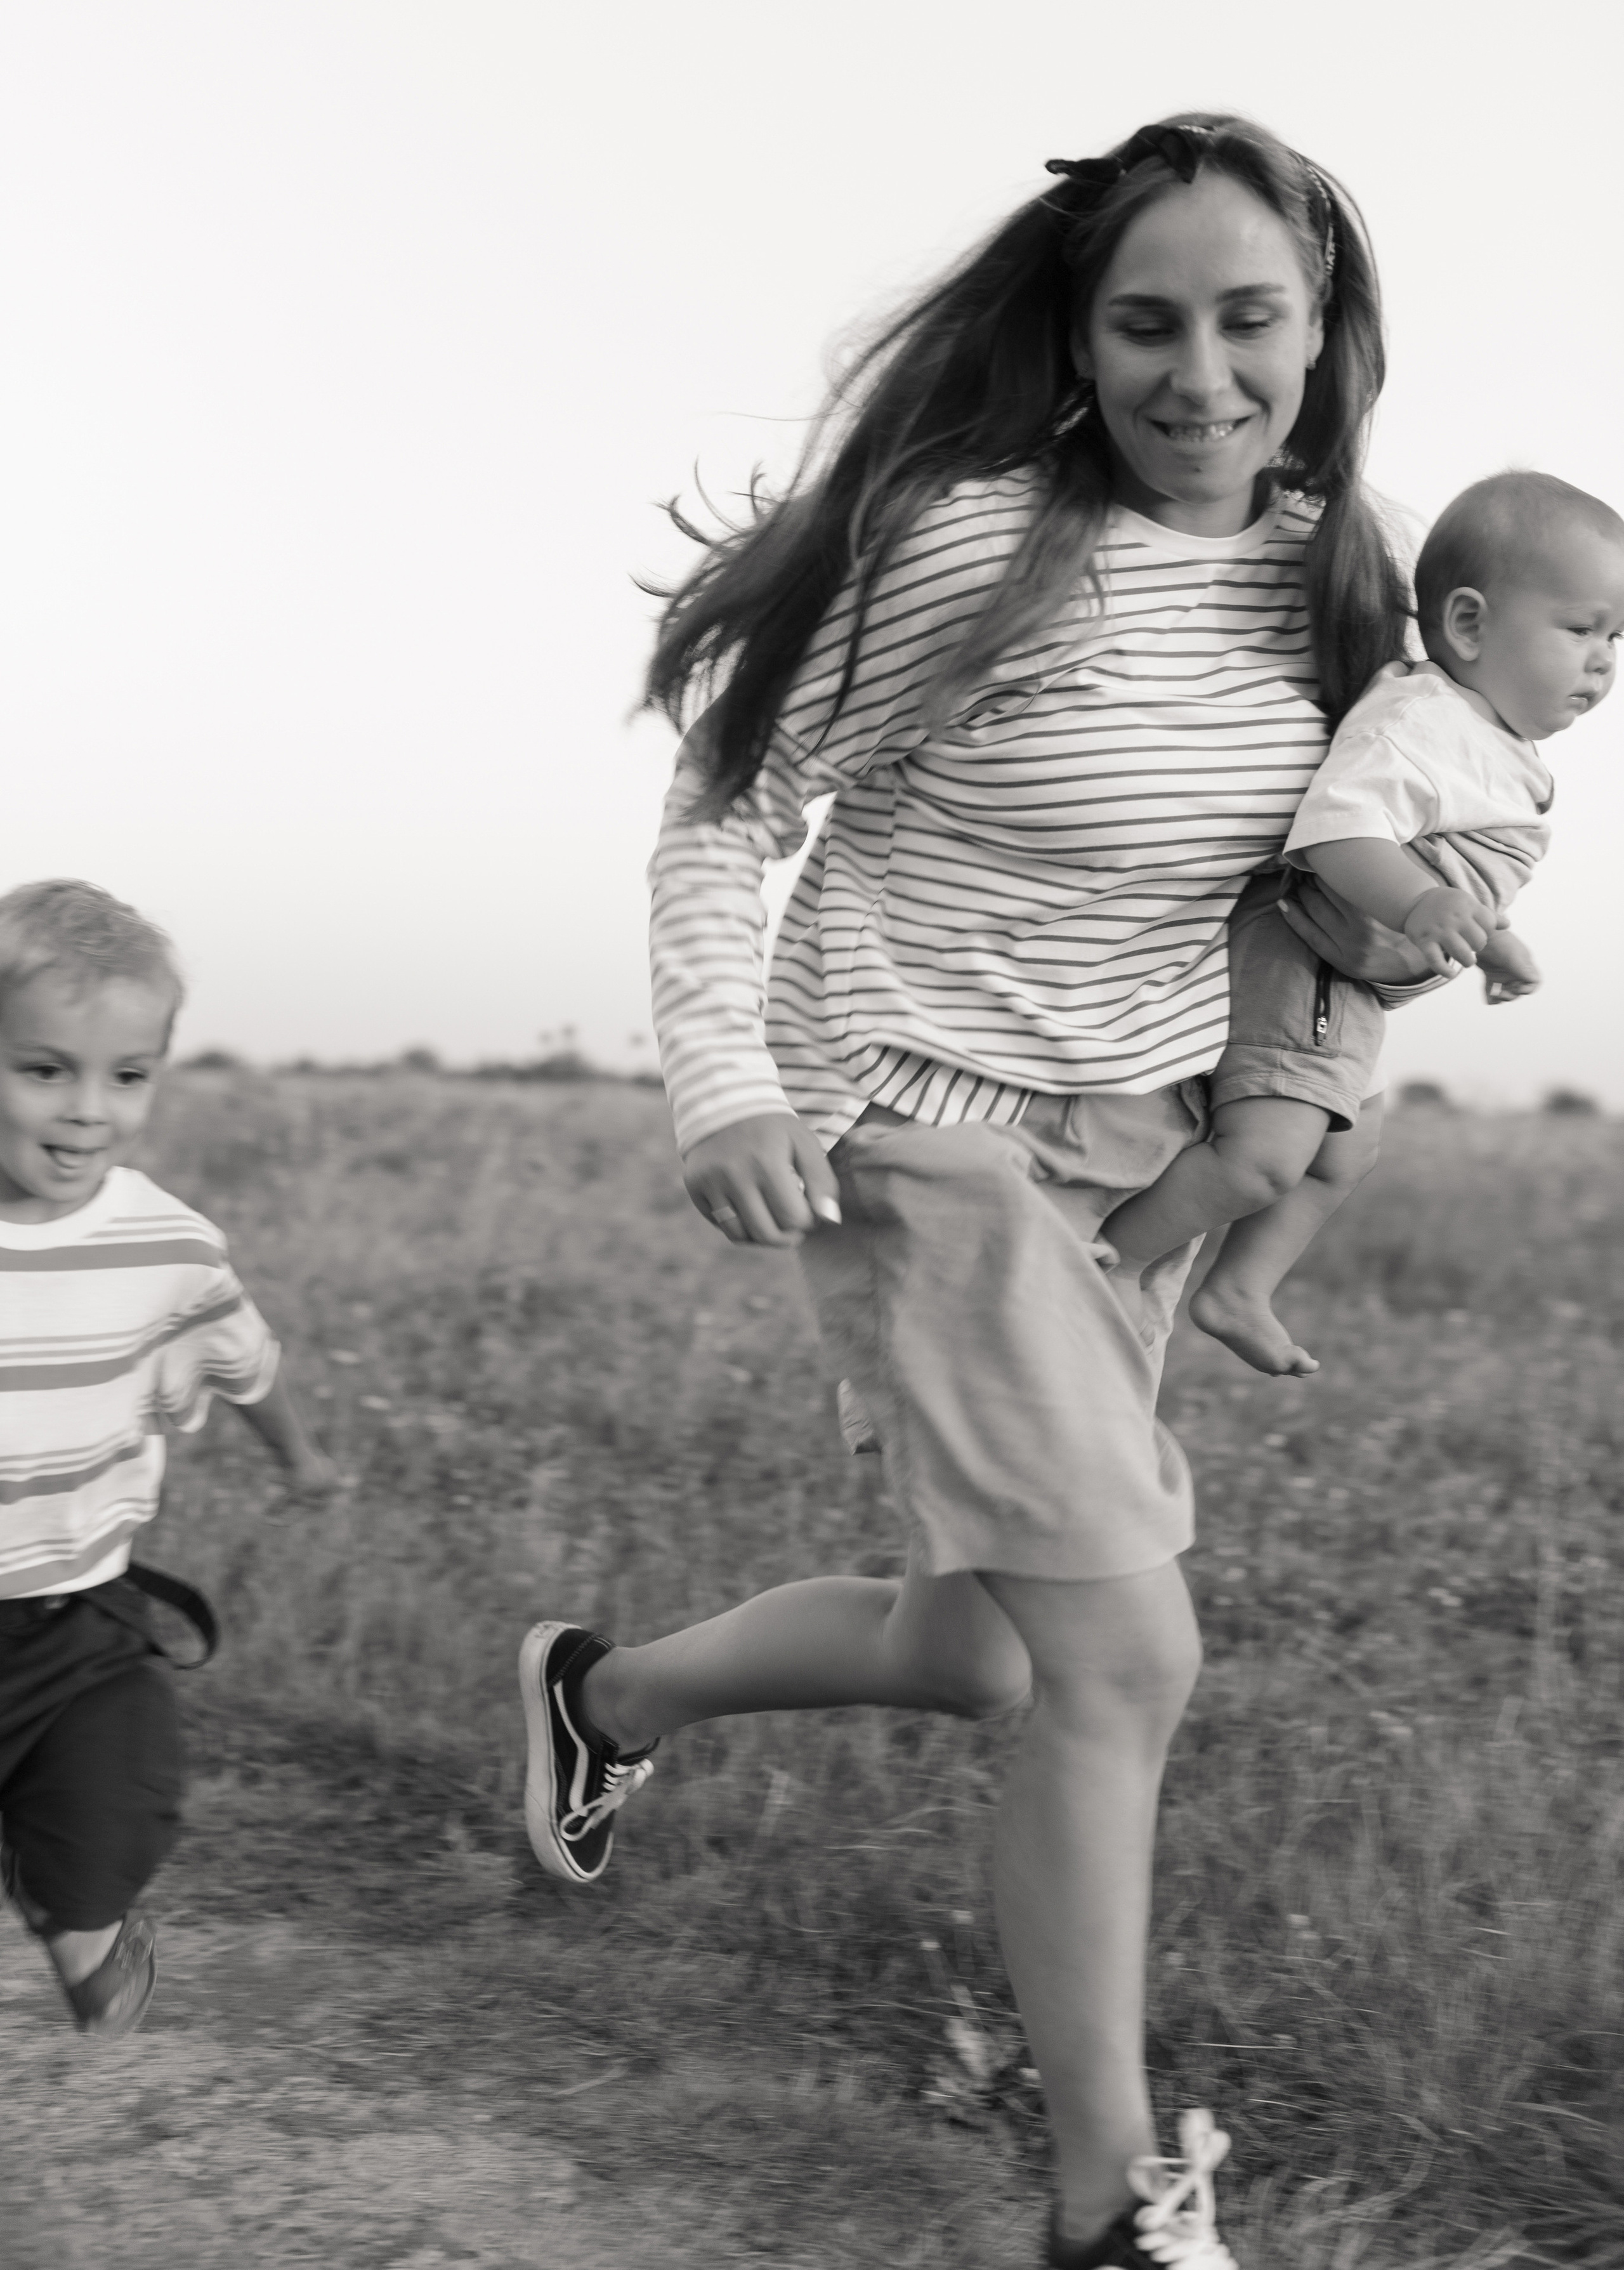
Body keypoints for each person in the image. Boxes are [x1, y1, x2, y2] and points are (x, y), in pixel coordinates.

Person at [520, 114, 1438, 2269]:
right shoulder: (968, 538)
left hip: (1135, 1173)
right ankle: (1110, 2208)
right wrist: (728, 1083)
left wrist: (1335, 1053)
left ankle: (609, 1694)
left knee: (988, 1661)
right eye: (1147, 323)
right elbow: (731, 808)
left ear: (1322, 331)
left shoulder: (1340, 577)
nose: (1197, 375)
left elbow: (1342, 872)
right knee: (1124, 1666)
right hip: (925, 1131)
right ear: (1075, 330)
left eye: (1247, 321)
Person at [1103, 469, 1622, 1377]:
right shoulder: (1422, 722)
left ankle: (1236, 1290)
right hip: (1304, 958)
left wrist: (1490, 941)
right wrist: (1424, 904)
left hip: (1342, 988)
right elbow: (1340, 833)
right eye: (1582, 630)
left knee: (1350, 1152)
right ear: (1468, 625)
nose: (1605, 661)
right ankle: (1110, 1261)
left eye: (1618, 638)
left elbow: (1459, 872)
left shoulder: (1486, 739)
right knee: (1266, 1158)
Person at [0, 880, 339, 2035]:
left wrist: (299, 1457)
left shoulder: (164, 1245)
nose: (89, 1110)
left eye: (126, 1077)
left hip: (81, 1622)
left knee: (109, 1825)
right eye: (44, 1069)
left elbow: (243, 1359)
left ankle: (83, 1920)